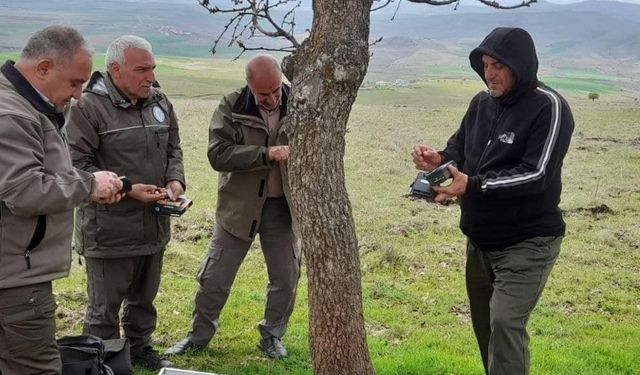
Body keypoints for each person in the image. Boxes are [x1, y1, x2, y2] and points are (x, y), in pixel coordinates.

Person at [412, 27, 574, 375]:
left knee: (504, 323)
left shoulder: (549, 107)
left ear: (521, 65)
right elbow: (460, 150)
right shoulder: (481, 103)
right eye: (485, 65)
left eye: (498, 66)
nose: (489, 74)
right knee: (486, 328)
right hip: (480, 242)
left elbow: (536, 174)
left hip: (528, 242)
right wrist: (438, 160)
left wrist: (472, 185)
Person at [0, 26, 124, 375]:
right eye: (74, 83)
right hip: (16, 280)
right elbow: (23, 191)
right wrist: (88, 185)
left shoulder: (24, 105)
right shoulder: (14, 116)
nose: (80, 95)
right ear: (43, 68)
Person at [165, 54, 300, 359]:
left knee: (286, 277)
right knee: (215, 277)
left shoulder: (299, 102)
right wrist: (267, 154)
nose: (272, 98)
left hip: (283, 207)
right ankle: (198, 338)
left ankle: (272, 336)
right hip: (239, 207)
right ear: (249, 85)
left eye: (276, 90)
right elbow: (218, 155)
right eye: (263, 94)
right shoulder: (232, 105)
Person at [65, 35, 186, 370]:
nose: (150, 76)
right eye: (142, 69)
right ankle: (101, 359)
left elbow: (174, 147)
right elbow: (76, 167)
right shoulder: (87, 108)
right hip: (109, 230)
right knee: (104, 307)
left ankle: (140, 346)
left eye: (153, 68)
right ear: (115, 70)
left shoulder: (159, 100)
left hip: (154, 225)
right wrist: (129, 188)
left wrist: (175, 180)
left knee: (144, 299)